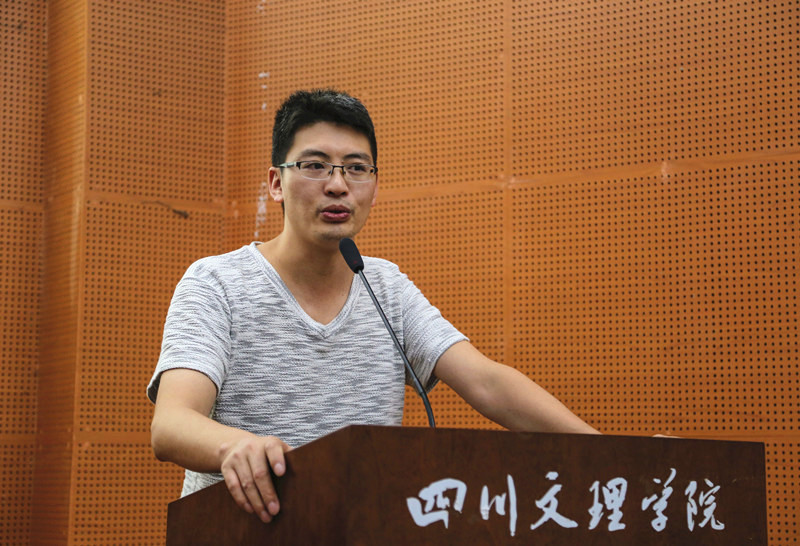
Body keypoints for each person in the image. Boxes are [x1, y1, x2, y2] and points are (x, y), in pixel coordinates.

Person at [148, 89, 599, 524]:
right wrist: (233, 446)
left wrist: (609, 453)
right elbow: (171, 424)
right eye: (315, 166)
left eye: (356, 169)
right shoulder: (217, 284)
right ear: (276, 183)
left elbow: (487, 382)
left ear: (374, 187)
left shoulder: (386, 287)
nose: (338, 185)